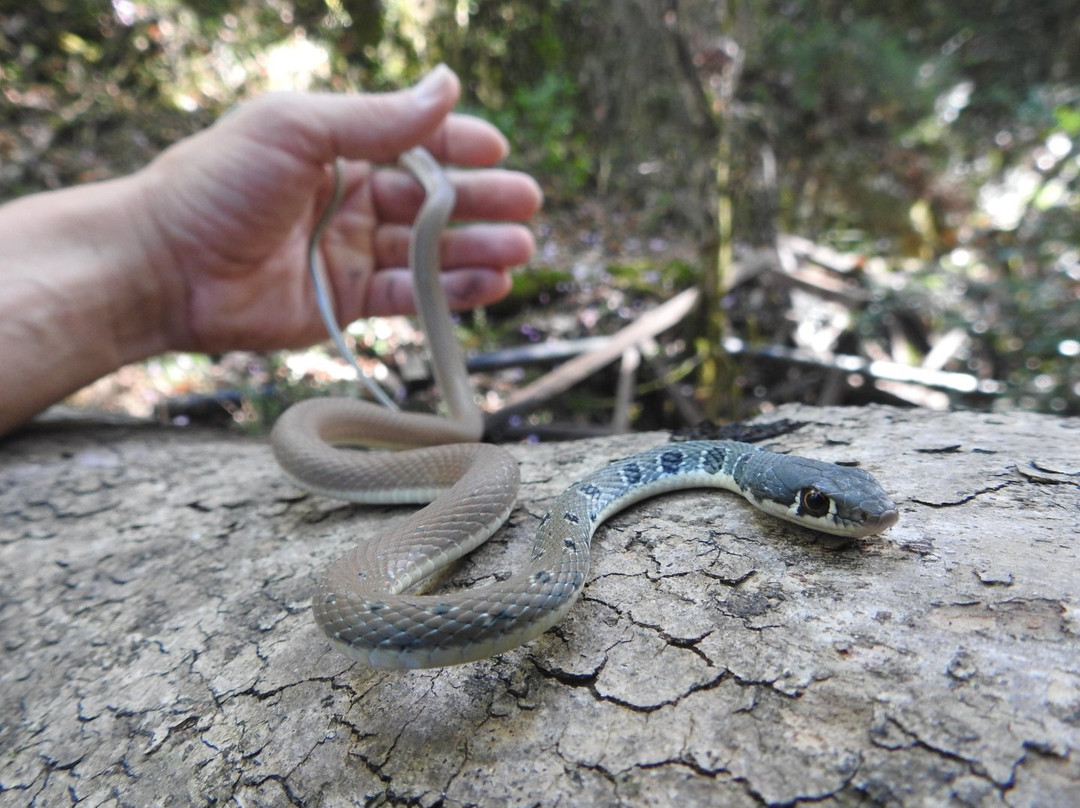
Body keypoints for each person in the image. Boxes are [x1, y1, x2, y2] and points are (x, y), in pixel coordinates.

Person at [0, 65, 541, 436]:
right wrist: (163, 247)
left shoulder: (426, 191)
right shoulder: (405, 180)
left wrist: (163, 257)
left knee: (462, 425)